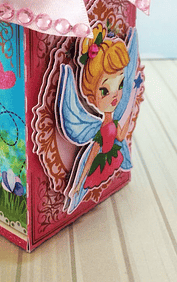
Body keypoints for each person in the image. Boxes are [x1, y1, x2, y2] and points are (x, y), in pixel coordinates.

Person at [56, 24, 142, 213]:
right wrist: (77, 185)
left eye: (120, 84)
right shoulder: (98, 128)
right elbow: (89, 159)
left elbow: (121, 137)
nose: (116, 95)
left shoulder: (114, 120)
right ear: (91, 94)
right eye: (104, 90)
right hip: (100, 164)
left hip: (113, 158)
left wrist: (131, 100)